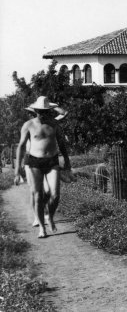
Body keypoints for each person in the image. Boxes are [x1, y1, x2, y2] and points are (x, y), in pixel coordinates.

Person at [15, 96, 72, 238]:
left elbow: (61, 143)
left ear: (49, 111)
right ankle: (42, 227)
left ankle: (50, 217)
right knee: (38, 195)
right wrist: (17, 171)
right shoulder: (28, 125)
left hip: (52, 161)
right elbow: (21, 147)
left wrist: (67, 161)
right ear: (35, 110)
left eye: (45, 111)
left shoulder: (54, 124)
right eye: (40, 111)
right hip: (34, 162)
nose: (42, 114)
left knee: (55, 195)